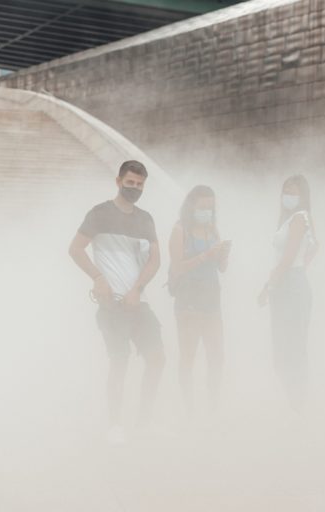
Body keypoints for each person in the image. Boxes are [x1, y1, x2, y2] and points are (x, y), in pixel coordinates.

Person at [68, 160, 164, 443]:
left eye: (140, 184)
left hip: (138, 302)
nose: (135, 188)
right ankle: (115, 425)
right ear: (118, 181)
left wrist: (138, 289)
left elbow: (155, 260)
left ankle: (144, 422)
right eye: (130, 182)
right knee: (119, 362)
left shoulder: (145, 219)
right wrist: (97, 277)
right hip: (112, 305)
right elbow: (75, 249)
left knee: (158, 359)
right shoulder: (99, 213)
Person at [168, 185, 230, 417]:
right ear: (191, 206)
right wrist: (205, 255)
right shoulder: (180, 230)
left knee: (217, 356)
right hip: (188, 303)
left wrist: (223, 256)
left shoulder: (212, 229)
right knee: (188, 356)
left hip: (212, 300)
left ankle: (213, 405)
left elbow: (221, 268)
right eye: (203, 207)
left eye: (211, 207)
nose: (207, 211)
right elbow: (176, 269)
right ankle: (189, 408)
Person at [258, 175, 318, 412]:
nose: (288, 196)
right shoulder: (289, 220)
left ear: (302, 196)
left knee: (293, 347)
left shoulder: (300, 217)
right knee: (281, 349)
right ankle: (295, 402)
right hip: (286, 282)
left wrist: (268, 286)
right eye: (285, 191)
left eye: (293, 192)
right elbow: (314, 246)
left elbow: (289, 257)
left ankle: (298, 405)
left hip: (290, 284)